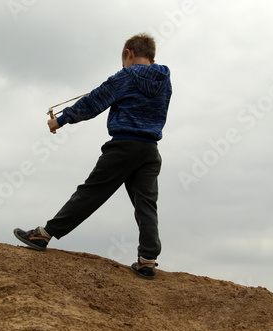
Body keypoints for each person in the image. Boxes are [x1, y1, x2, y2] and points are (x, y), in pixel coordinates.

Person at [14, 33, 172, 280]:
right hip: (150, 150)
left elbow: (94, 102)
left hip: (124, 146)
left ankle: (43, 235)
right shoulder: (165, 80)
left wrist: (62, 119)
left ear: (128, 54)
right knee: (146, 205)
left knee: (90, 192)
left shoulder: (126, 75)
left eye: (123, 61)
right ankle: (147, 261)